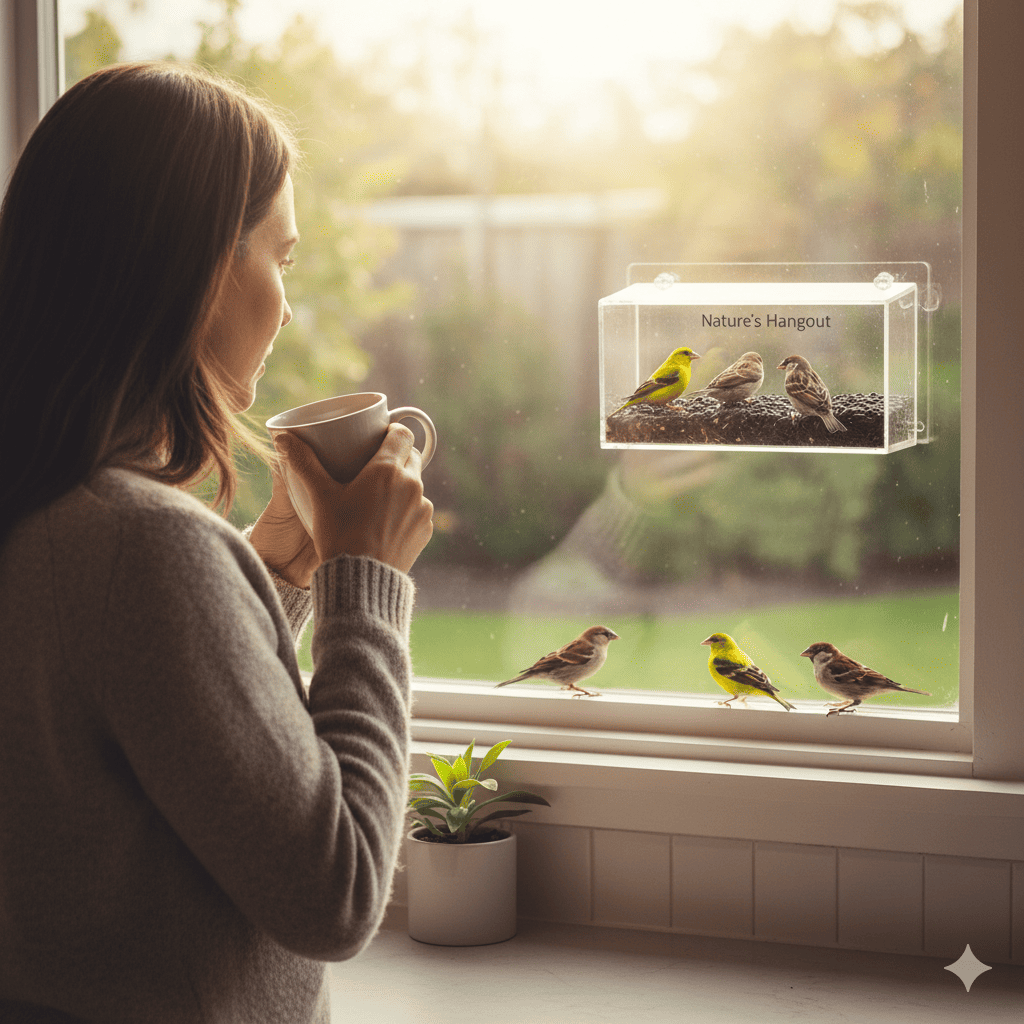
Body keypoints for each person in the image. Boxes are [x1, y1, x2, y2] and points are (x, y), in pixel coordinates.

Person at [0, 61, 433, 1022]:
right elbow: (337, 894)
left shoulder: (54, 513)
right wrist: (368, 587)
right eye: (279, 257)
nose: (286, 304)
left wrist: (273, 570)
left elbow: (145, 736)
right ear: (199, 268)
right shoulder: (144, 549)